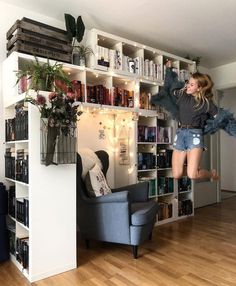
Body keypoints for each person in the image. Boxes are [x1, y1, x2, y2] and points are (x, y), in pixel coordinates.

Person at [161, 60, 219, 180]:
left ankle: (211, 175)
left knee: (192, 175)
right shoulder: (182, 95)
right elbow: (170, 86)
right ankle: (191, 169)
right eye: (188, 83)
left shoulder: (206, 103)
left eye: (192, 84)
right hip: (180, 133)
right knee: (176, 175)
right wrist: (168, 69)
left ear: (199, 88)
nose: (188, 85)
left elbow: (220, 117)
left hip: (195, 136)